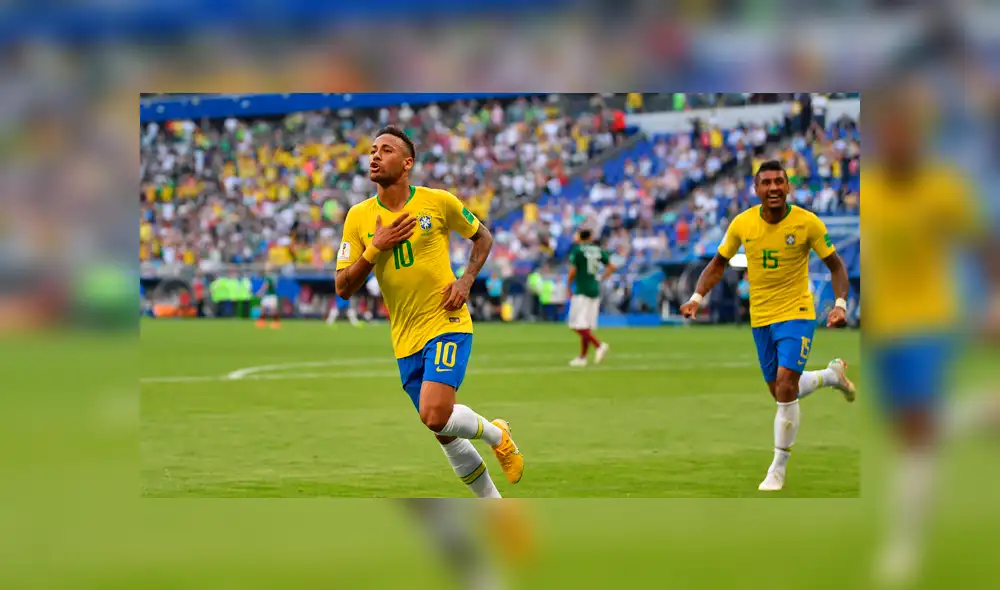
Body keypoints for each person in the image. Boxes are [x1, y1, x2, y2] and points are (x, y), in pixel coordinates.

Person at [335, 126, 522, 499]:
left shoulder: (437, 202)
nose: (374, 156)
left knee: (436, 414)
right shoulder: (358, 217)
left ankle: (498, 435)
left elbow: (482, 236)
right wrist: (375, 248)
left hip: (445, 319)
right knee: (443, 431)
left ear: (407, 164)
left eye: (385, 150)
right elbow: (342, 287)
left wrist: (466, 280)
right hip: (405, 338)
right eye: (372, 150)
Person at [680, 160, 856, 492]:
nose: (774, 188)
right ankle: (832, 376)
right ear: (756, 188)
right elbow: (717, 264)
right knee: (780, 390)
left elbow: (836, 265)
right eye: (767, 183)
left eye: (779, 182)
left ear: (788, 187)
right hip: (761, 316)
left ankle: (777, 467)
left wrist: (840, 304)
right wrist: (696, 297)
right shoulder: (742, 223)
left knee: (786, 386)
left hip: (798, 311)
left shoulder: (807, 223)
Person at [566, 228, 614, 367]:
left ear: (580, 237)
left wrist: (568, 286)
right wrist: (601, 277)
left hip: (582, 290)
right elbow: (611, 266)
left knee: (576, 324)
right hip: (594, 289)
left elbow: (573, 270)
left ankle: (599, 345)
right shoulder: (598, 250)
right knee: (586, 325)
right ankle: (582, 358)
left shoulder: (578, 250)